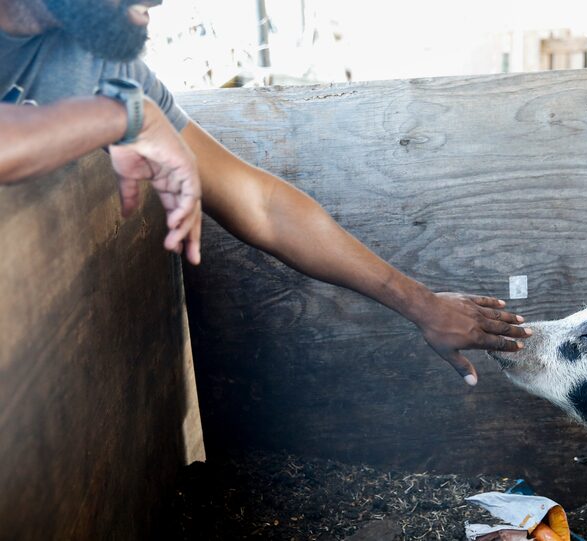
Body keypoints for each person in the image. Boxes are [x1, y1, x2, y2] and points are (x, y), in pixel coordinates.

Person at [0, 0, 532, 386]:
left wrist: (421, 304)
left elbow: (262, 205)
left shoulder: (105, 66)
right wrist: (120, 116)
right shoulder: (119, 93)